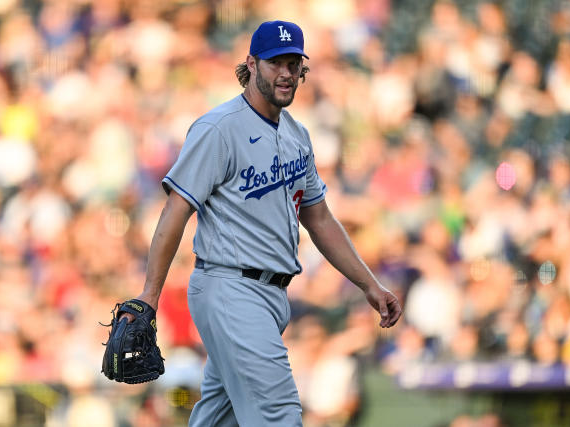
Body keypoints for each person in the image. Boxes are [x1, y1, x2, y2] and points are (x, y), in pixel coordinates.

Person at [125, 20, 402, 426]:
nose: (287, 73)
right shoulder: (219, 128)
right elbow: (175, 211)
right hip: (230, 287)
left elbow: (320, 217)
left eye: (294, 64)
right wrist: (150, 295)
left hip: (270, 297)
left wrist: (368, 284)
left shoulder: (297, 135)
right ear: (252, 64)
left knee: (221, 417)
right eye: (276, 63)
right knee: (281, 415)